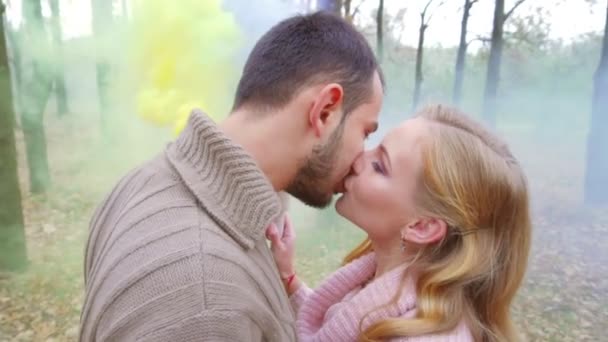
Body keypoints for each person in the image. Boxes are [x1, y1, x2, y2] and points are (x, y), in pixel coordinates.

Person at [79, 12, 383, 341]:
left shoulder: (140, 182)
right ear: (325, 111)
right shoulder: (206, 303)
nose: (361, 159)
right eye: (365, 132)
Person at [267, 105, 532, 342]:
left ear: (422, 227)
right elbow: (338, 328)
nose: (359, 159)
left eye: (380, 166)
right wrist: (288, 279)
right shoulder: (380, 284)